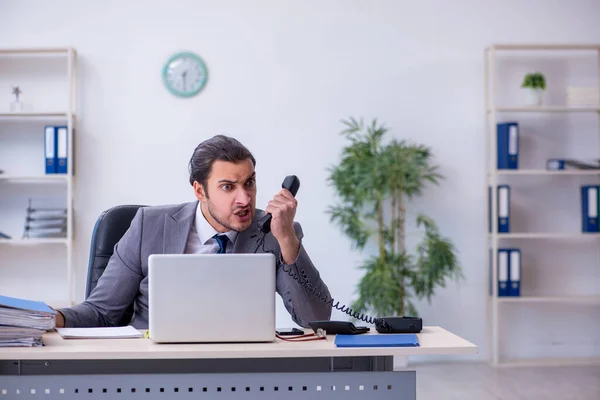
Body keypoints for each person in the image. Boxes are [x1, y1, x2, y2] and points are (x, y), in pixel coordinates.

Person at [56, 135, 332, 329]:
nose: (245, 199)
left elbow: (315, 317)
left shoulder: (275, 233)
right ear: (200, 190)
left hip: (242, 373)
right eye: (228, 187)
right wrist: (52, 317)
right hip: (153, 370)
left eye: (249, 183)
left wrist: (287, 239)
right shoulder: (147, 226)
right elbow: (101, 312)